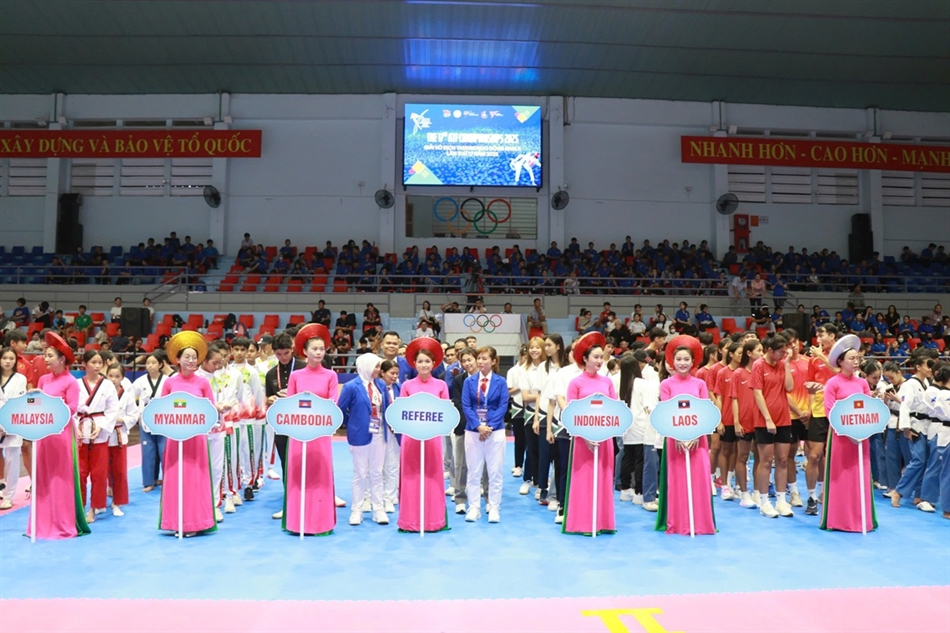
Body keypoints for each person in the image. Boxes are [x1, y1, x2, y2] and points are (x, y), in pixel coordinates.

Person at [28, 332, 91, 539]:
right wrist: (32, 399)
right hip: (43, 434)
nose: (45, 359)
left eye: (49, 356)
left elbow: (71, 409)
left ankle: (63, 522)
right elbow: (38, 405)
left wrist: (49, 405)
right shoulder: (43, 379)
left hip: (62, 434)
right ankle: (41, 522)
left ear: (62, 359)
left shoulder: (71, 382)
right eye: (45, 355)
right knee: (43, 477)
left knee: (61, 478)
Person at [655, 336, 716, 535]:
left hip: (698, 440)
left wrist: (696, 435)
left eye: (686, 359)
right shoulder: (666, 384)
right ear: (672, 361)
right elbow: (665, 412)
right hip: (675, 440)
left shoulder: (700, 384)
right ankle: (679, 522)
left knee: (699, 480)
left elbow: (705, 412)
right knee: (678, 481)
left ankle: (701, 522)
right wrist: (680, 436)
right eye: (679, 359)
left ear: (693, 361)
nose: (682, 363)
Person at [159, 332, 218, 537]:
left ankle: (195, 523)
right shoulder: (169, 383)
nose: (191, 361)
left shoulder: (203, 383)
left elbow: (211, 410)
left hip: (196, 439)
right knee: (175, 478)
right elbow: (161, 410)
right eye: (187, 357)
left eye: (194, 357)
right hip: (175, 439)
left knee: (195, 479)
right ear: (177, 359)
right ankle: (176, 522)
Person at [283, 324, 339, 536]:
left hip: (320, 433)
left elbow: (333, 403)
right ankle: (297, 522)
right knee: (299, 474)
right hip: (298, 433)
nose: (318, 352)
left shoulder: (331, 376)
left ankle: (319, 522)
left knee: (319, 475)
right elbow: (289, 403)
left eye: (321, 349)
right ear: (305, 351)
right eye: (314, 349)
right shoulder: (296, 376)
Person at [563, 332, 618, 536]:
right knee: (584, 479)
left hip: (605, 438)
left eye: (601, 357)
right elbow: (570, 412)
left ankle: (603, 522)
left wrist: (606, 432)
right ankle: (583, 523)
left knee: (604, 477)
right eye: (595, 357)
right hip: (582, 439)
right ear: (585, 359)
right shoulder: (575, 383)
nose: (599, 361)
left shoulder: (607, 382)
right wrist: (584, 436)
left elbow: (615, 408)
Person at [820, 336, 876, 532]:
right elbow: (829, 410)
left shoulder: (863, 383)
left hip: (861, 437)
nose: (855, 362)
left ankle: (862, 520)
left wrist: (863, 431)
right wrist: (846, 431)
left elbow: (869, 407)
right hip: (841, 437)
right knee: (841, 476)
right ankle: (839, 519)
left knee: (860, 474)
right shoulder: (832, 383)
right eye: (851, 358)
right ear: (840, 361)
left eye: (857, 358)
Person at [397, 337, 450, 533]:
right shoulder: (407, 386)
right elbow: (401, 413)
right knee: (411, 477)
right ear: (414, 363)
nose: (424, 365)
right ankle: (410, 521)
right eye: (420, 361)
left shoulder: (441, 386)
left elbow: (445, 413)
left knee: (432, 477)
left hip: (432, 439)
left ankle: (433, 520)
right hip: (411, 439)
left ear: (434, 363)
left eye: (427, 361)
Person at [338, 353, 389, 526]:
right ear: (366, 366)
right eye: (376, 366)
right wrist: (353, 424)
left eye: (379, 366)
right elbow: (340, 410)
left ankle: (378, 509)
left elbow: (386, 408)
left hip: (379, 433)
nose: (378, 370)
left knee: (377, 473)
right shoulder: (351, 386)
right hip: (359, 435)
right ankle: (356, 510)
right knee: (360, 474)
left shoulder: (381, 385)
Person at [751, 334, 796, 518]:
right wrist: (768, 419)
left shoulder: (782, 364)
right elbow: (757, 393)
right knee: (766, 461)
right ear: (770, 350)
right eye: (780, 352)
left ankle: (781, 501)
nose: (783, 355)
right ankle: (764, 502)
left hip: (784, 418)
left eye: (785, 352)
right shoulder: (758, 365)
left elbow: (789, 388)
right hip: (764, 420)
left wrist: (786, 364)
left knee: (783, 460)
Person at [462, 346, 508, 523]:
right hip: (473, 431)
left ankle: (494, 507)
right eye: (479, 358)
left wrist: (489, 427)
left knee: (495, 471)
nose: (480, 361)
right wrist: (478, 426)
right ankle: (474, 507)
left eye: (484, 358)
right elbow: (466, 406)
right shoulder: (469, 382)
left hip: (495, 431)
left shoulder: (501, 382)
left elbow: (503, 406)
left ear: (493, 361)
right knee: (474, 471)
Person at [75, 349, 119, 524]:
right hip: (81, 430)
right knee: (80, 473)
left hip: (100, 431)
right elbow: (71, 408)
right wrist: (75, 428)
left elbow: (113, 410)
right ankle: (79, 508)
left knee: (99, 473)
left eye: (99, 362)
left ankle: (94, 508)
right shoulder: (76, 384)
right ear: (84, 364)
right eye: (93, 362)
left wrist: (101, 427)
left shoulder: (107, 385)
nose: (97, 366)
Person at [892, 349, 939, 512]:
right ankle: (898, 491)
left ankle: (918, 495)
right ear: (918, 367)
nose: (930, 369)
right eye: (927, 366)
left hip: (927, 425)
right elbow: (904, 406)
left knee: (924, 462)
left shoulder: (927, 383)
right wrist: (905, 428)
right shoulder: (909, 384)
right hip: (914, 425)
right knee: (918, 460)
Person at [732, 339, 764, 509]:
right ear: (749, 353)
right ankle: (744, 493)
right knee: (742, 457)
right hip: (744, 421)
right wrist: (737, 422)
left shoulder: (762, 372)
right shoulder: (738, 373)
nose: (762, 354)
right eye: (759, 350)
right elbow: (734, 399)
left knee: (760, 457)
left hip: (760, 421)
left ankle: (757, 492)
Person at [132, 352, 168, 493]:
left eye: (153, 363)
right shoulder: (140, 381)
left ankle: (167, 480)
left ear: (160, 365)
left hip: (164, 418)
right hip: (146, 418)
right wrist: (137, 414)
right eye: (148, 363)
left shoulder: (167, 381)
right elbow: (129, 398)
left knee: (164, 451)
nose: (150, 366)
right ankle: (149, 481)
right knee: (148, 451)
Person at [105, 363, 136, 517]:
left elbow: (134, 415)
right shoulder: (102, 394)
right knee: (101, 471)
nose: (113, 379)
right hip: (102, 436)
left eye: (117, 376)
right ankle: (98, 503)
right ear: (106, 376)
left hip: (119, 436)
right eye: (111, 376)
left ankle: (117, 502)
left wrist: (122, 420)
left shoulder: (127, 396)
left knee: (119, 471)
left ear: (122, 378)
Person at [0, 347, 27, 509]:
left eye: (11, 358)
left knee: (12, 460)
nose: (8, 361)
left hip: (13, 422)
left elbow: (19, 403)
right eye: (4, 358)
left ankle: (9, 496)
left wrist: (6, 426)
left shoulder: (20, 379)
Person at [377, 359, 402, 514]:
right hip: (378, 430)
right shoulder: (375, 387)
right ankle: (374, 498)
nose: (394, 377)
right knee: (376, 467)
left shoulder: (400, 388)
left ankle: (390, 497)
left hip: (395, 432)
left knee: (393, 466)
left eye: (397, 374)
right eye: (392, 373)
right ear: (382, 373)